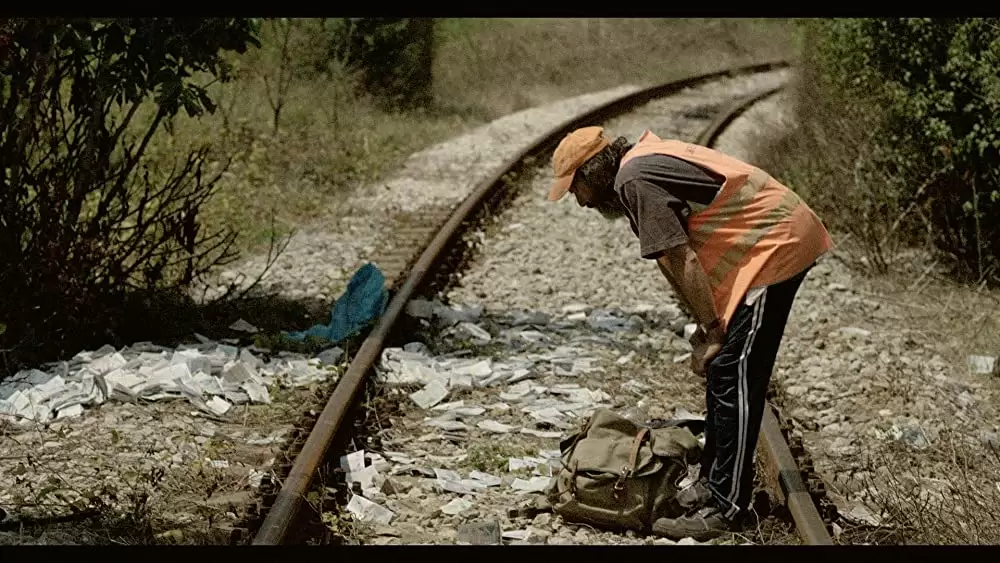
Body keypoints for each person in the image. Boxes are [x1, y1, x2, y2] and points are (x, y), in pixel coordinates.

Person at [546, 126, 834, 541]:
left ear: (593, 173)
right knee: (724, 372)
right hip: (769, 242)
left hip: (776, 245)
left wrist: (713, 331)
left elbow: (680, 258)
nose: (580, 201)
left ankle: (726, 505)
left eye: (576, 189)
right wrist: (708, 329)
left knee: (734, 373)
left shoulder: (634, 180)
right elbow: (676, 258)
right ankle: (712, 485)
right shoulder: (638, 164)